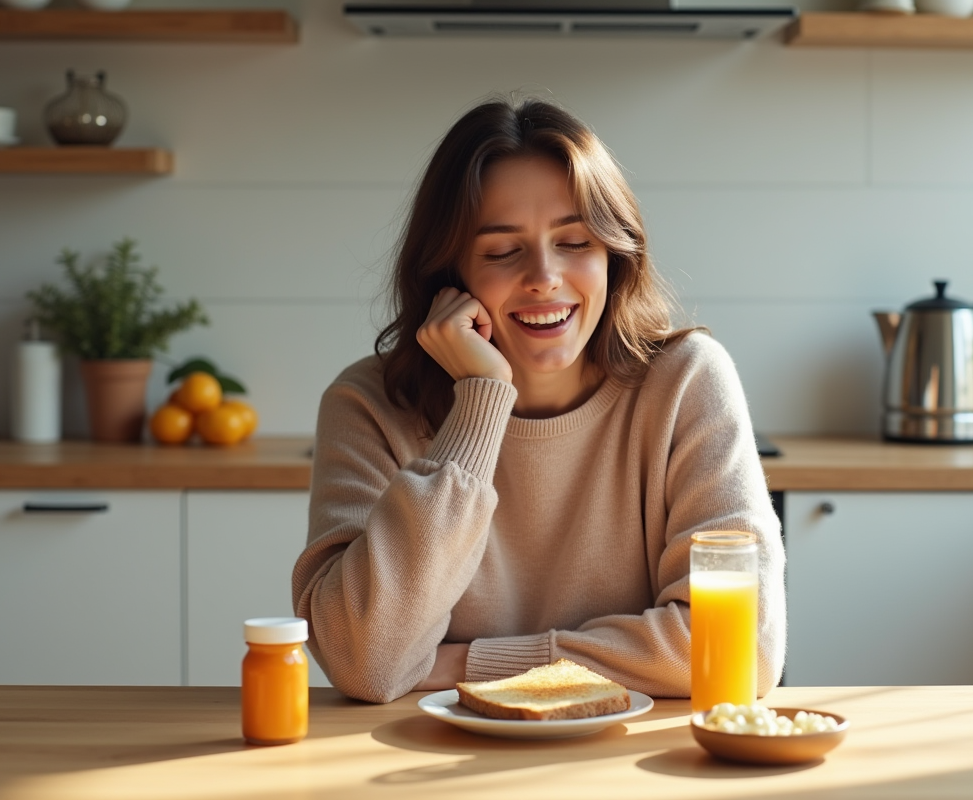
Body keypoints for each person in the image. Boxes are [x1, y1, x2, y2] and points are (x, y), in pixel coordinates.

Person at [292, 96, 785, 704]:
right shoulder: (367, 406)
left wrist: (470, 664)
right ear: (450, 277)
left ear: (613, 254)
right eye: (502, 251)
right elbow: (365, 660)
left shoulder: (686, 381)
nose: (545, 276)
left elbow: (738, 653)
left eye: (575, 242)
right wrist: (480, 402)